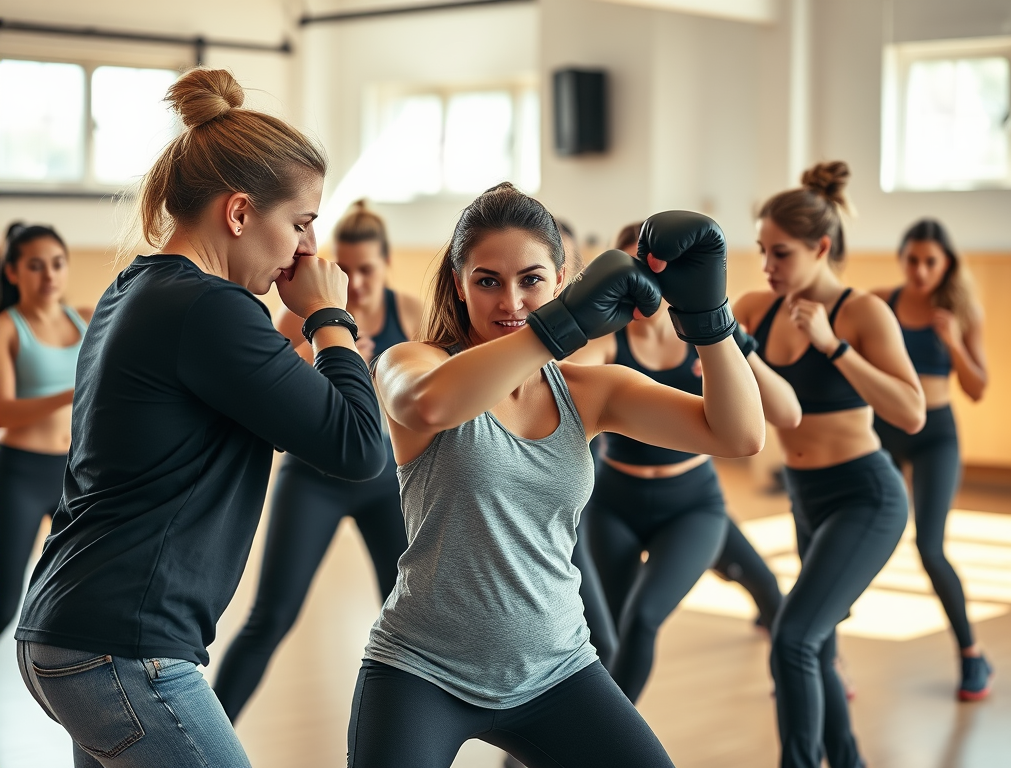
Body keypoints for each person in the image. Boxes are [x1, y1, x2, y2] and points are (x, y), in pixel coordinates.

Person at [14, 67, 386, 768]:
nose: (306, 250)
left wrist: (294, 328)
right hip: (122, 650)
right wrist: (331, 319)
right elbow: (359, 446)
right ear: (240, 213)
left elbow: (260, 404)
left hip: (69, 634)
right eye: (301, 224)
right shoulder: (211, 309)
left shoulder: (137, 289)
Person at [348, 183, 765, 767]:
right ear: (458, 283)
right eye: (487, 280)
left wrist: (709, 320)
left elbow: (739, 434)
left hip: (557, 668)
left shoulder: (591, 392)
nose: (510, 301)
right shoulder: (414, 363)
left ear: (563, 279)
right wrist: (558, 326)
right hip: (421, 670)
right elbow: (428, 407)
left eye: (532, 280)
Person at [735, 161, 926, 768]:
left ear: (821, 247)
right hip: (804, 494)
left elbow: (912, 411)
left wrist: (834, 347)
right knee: (813, 644)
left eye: (781, 254)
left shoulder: (861, 312)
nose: (768, 267)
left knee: (792, 638)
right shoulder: (756, 308)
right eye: (762, 251)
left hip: (865, 497)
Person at [568, 221, 799, 701]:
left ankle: (604, 747)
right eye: (632, 270)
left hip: (691, 503)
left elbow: (786, 410)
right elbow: (554, 378)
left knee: (646, 617)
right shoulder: (612, 340)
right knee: (604, 632)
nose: (646, 284)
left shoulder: (705, 334)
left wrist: (723, 341)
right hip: (616, 502)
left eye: (655, 270)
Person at [213, 201, 421, 722]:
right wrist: (329, 351)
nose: (355, 281)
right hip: (312, 481)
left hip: (385, 482)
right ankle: (204, 734)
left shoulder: (411, 314)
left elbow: (432, 400)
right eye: (344, 269)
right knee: (271, 617)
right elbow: (264, 386)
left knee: (408, 620)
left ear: (386, 264)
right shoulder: (304, 314)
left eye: (367, 269)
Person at [871, 219, 991, 700]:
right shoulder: (881, 302)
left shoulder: (961, 311)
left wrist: (954, 343)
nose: (920, 271)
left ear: (946, 265)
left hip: (936, 434)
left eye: (930, 262)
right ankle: (820, 649)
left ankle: (972, 653)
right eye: (913, 260)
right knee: (856, 532)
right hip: (882, 429)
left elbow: (978, 389)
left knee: (930, 547)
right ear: (902, 259)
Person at [0, 223, 92, 636]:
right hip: (19, 474)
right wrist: (69, 393)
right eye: (35, 266)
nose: (49, 275)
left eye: (57, 264)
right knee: (4, 602)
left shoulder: (87, 320)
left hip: (76, 473)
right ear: (13, 272)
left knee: (79, 593)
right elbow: (4, 413)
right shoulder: (6, 327)